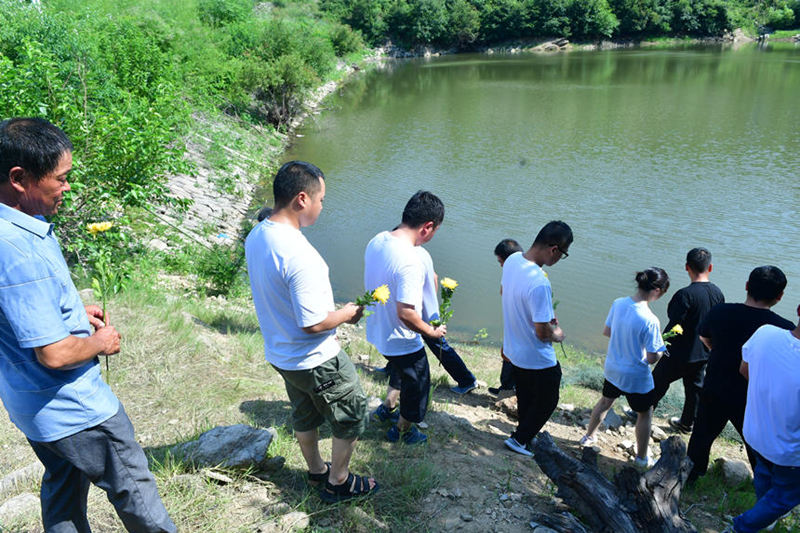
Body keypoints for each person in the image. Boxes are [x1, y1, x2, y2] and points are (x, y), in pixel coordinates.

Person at [0, 117, 176, 532]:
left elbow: (17, 312)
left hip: (31, 407)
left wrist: (74, 315)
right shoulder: (18, 248)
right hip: (75, 410)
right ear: (19, 178)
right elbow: (55, 353)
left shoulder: (12, 228)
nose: (67, 188)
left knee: (63, 489)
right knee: (136, 492)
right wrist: (101, 341)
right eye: (60, 179)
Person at [245, 161, 377, 503]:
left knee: (305, 411)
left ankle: (317, 471)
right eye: (321, 200)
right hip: (314, 357)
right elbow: (314, 323)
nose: (322, 206)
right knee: (351, 412)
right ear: (302, 199)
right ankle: (338, 483)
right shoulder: (301, 255)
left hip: (281, 354)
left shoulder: (259, 233)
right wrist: (348, 313)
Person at [687, 266, 794, 483]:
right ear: (780, 296)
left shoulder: (720, 312)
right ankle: (763, 484)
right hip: (752, 396)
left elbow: (704, 338)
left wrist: (719, 351)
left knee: (702, 435)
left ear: (747, 286)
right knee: (756, 443)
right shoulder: (783, 328)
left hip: (715, 385)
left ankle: (691, 475)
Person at [365, 191, 446, 445]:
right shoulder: (410, 260)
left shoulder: (378, 240)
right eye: (436, 231)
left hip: (378, 329)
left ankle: (387, 407)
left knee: (401, 371)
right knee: (419, 382)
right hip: (400, 337)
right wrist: (431, 331)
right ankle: (402, 430)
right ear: (428, 226)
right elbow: (407, 313)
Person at [579, 268, 670, 468]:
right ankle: (641, 458)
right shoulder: (651, 319)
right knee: (645, 413)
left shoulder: (618, 303)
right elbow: (653, 357)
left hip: (613, 367)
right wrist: (662, 350)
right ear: (657, 290)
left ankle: (588, 437)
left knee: (605, 402)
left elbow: (607, 331)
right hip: (635, 375)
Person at [501, 221, 572, 457]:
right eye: (563, 254)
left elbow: (506, 293)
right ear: (554, 249)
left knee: (526, 394)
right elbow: (543, 333)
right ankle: (519, 440)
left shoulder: (512, 261)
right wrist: (558, 334)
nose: (560, 259)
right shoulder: (540, 281)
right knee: (548, 399)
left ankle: (523, 433)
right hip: (536, 356)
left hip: (515, 350)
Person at [727, 307, 800, 533]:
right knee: (785, 496)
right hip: (789, 450)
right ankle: (741, 527)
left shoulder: (765, 333)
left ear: (798, 309)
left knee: (764, 473)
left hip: (756, 431)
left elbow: (744, 370)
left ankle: (764, 516)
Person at [651, 248, 724, 433]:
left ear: (686, 267)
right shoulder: (718, 294)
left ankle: (643, 412)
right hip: (703, 354)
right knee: (694, 391)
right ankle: (686, 424)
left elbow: (675, 325)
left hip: (679, 353)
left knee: (657, 382)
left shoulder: (685, 295)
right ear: (711, 267)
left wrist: (660, 347)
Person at [417, 244, 478, 394]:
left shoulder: (409, 255)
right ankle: (391, 369)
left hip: (421, 314)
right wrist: (431, 300)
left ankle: (467, 380)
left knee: (440, 347)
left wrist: (423, 304)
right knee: (405, 340)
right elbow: (435, 277)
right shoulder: (421, 253)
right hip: (428, 311)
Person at [488, 238, 524, 396]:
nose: (501, 265)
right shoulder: (530, 268)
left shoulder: (513, 270)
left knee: (510, 355)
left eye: (500, 261)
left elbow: (503, 291)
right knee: (512, 354)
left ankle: (508, 390)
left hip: (518, 321)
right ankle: (508, 388)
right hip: (519, 320)